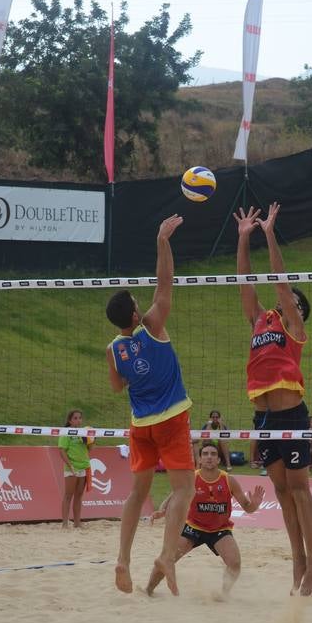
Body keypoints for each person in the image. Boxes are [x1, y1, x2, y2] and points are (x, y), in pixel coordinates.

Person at [105, 214, 195, 596]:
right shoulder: (154, 325)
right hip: (172, 418)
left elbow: (117, 386)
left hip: (140, 425)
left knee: (136, 495)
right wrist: (162, 240)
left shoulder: (113, 349)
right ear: (136, 314)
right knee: (183, 491)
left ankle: (122, 558)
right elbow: (165, 283)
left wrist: (136, 371)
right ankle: (165, 555)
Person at [234, 202, 312, 596]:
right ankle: (296, 557)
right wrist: (243, 237)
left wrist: (270, 233)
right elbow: (244, 282)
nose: (290, 306)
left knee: (300, 491)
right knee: (283, 494)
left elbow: (281, 283)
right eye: (288, 305)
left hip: (291, 418)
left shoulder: (294, 328)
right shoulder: (258, 321)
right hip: (264, 422)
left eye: (295, 305)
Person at [146, 441, 265, 599]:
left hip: (219, 529)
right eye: (206, 454)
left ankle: (224, 594)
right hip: (193, 527)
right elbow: (173, 497)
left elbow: (247, 507)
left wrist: (255, 505)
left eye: (213, 454)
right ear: (199, 459)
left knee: (235, 563)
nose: (209, 457)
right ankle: (148, 590)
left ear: (218, 460)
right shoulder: (192, 478)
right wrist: (162, 511)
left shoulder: (228, 480)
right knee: (168, 558)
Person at [58, 408, 92, 529]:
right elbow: (62, 451)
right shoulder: (66, 432)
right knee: (68, 496)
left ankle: (77, 523)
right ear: (70, 420)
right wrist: (70, 465)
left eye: (80, 418)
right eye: (75, 418)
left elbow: (88, 450)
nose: (78, 420)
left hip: (83, 466)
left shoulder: (83, 433)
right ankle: (65, 523)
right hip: (72, 467)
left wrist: (91, 442)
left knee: (78, 496)